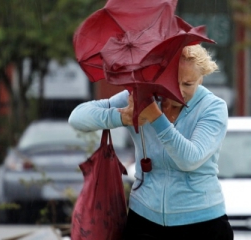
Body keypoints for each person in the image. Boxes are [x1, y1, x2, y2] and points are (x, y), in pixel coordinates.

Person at [68, 44, 234, 240]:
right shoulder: (142, 97)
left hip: (202, 222)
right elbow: (77, 117)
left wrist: (155, 117)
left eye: (188, 84)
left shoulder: (213, 107)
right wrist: (122, 118)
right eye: (172, 82)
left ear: (201, 79)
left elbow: (189, 159)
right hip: (145, 218)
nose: (178, 91)